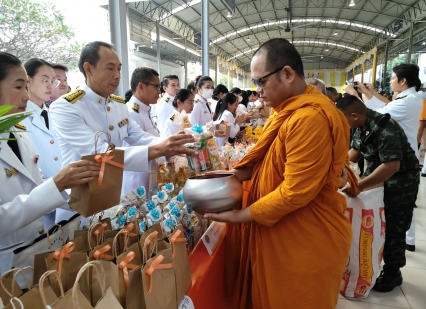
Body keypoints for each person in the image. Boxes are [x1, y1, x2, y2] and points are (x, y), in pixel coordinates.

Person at [204, 38, 352, 309]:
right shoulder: (284, 111)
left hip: (304, 243)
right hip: (281, 232)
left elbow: (294, 192)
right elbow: (264, 159)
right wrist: (227, 178)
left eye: (261, 82)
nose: (257, 91)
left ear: (287, 73)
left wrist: (240, 216)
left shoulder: (310, 118)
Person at [50, 41, 195, 222]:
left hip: (112, 197)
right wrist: (159, 149)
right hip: (81, 205)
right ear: (88, 69)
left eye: (119, 69)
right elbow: (99, 152)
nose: (117, 76)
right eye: (110, 69)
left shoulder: (117, 105)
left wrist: (172, 143)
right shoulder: (65, 107)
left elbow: (139, 136)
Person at [0, 51, 100, 274]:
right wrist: (57, 184)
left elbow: (37, 183)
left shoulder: (19, 132)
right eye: (19, 87)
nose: (26, 97)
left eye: (26, 87)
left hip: (34, 255)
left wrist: (82, 199)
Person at [337, 95, 419, 292]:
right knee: (378, 224)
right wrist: (336, 167)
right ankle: (376, 265)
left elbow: (391, 165)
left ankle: (393, 273)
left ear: (354, 116)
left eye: (342, 119)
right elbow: (354, 154)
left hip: (400, 183)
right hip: (378, 180)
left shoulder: (385, 127)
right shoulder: (359, 126)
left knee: (394, 227)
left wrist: (360, 186)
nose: (340, 124)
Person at [23, 58, 63, 228]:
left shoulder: (52, 113)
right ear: (28, 80)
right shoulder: (20, 118)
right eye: (45, 80)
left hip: (61, 199)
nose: (50, 86)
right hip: (37, 204)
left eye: (53, 81)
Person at [121, 67, 161, 195]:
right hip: (136, 181)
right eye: (156, 87)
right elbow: (140, 147)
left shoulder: (144, 110)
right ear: (141, 86)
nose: (159, 92)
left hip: (148, 177)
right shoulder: (132, 113)